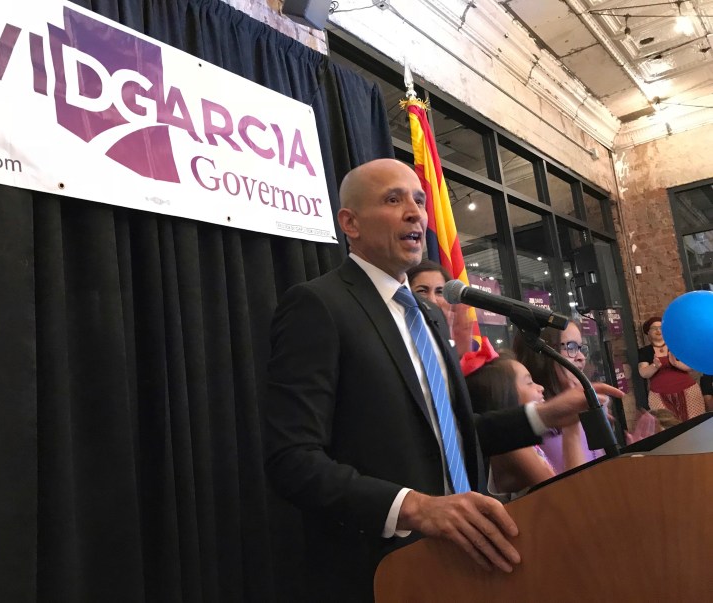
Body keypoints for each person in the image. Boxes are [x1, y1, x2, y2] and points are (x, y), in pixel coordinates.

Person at [264, 158, 623, 601]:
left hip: (470, 557)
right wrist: (415, 508)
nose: (415, 212)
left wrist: (545, 414)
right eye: (393, 200)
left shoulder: (430, 315)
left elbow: (454, 434)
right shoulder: (318, 306)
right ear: (350, 223)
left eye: (419, 199)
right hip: (383, 569)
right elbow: (292, 461)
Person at [463, 344, 586, 495]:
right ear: (505, 398)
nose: (540, 387)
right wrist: (571, 429)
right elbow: (572, 496)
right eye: (529, 383)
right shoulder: (515, 447)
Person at [513, 320, 601, 473]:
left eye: (581, 348)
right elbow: (575, 486)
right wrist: (571, 425)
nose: (581, 357)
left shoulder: (583, 408)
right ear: (541, 354)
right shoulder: (530, 420)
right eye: (571, 347)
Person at [637, 317, 705, 421]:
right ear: (648, 333)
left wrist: (676, 363)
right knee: (668, 428)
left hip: (688, 390)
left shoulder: (676, 346)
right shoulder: (645, 351)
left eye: (661, 327)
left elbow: (691, 366)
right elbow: (643, 373)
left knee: (695, 424)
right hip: (658, 395)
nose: (658, 330)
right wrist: (655, 366)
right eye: (654, 328)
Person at [407, 259, 473, 357]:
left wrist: (461, 352)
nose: (432, 300)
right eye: (422, 291)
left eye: (439, 292)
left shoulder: (455, 336)